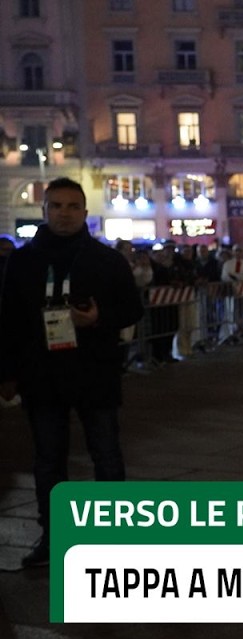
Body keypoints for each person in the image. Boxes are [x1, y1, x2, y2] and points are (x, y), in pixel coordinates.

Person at [0, 178, 144, 567]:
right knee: (48, 460)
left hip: (94, 371)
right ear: (44, 211)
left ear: (84, 212)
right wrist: (8, 373)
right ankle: (54, 536)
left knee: (107, 456)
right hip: (41, 374)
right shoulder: (25, 260)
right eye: (56, 206)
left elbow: (133, 309)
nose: (64, 213)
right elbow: (9, 319)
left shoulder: (106, 259)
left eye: (72, 206)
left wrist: (99, 318)